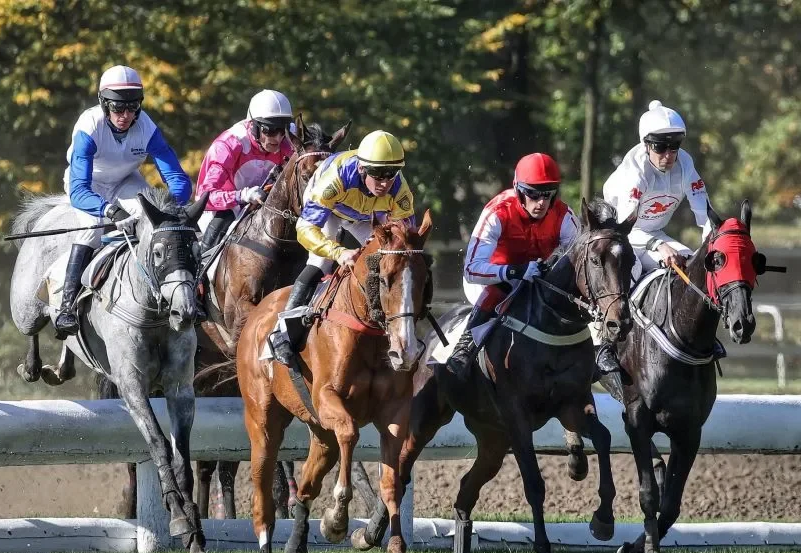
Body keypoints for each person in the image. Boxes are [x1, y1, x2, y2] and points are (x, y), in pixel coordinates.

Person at [445, 153, 623, 382]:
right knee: (499, 289)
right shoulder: (497, 212)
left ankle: (598, 347)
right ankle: (465, 346)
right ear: (518, 190)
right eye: (533, 194)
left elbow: (581, 261)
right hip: (491, 278)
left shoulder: (563, 216)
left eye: (548, 194)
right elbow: (472, 270)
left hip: (539, 277)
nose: (541, 202)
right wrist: (515, 271)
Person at [54, 65, 192, 339]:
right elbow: (79, 190)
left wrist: (169, 208)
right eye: (118, 109)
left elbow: (178, 178)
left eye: (132, 108)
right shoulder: (89, 125)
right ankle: (66, 306)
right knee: (93, 226)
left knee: (150, 218)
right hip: (88, 184)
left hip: (126, 181)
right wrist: (109, 210)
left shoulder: (146, 127)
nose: (126, 116)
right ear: (104, 104)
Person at [268, 130, 414, 366]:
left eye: (392, 173)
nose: (385, 182)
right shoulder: (336, 178)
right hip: (331, 211)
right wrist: (338, 251)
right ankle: (281, 334)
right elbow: (305, 229)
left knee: (391, 262)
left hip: (368, 216)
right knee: (320, 262)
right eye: (377, 174)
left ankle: (396, 332)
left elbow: (403, 241)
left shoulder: (399, 189)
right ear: (362, 169)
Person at [602, 99, 722, 359]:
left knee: (694, 266)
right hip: (620, 238)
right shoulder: (635, 173)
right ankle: (608, 344)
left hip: (655, 236)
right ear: (646, 145)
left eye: (675, 146)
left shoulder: (685, 164)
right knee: (629, 271)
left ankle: (701, 339)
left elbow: (705, 215)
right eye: (660, 147)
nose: (669, 155)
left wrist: (710, 247)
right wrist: (659, 246)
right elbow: (625, 228)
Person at [195, 89, 296, 250]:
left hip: (266, 203)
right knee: (223, 219)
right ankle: (201, 268)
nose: (277, 138)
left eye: (282, 129)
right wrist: (242, 196)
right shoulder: (228, 145)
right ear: (252, 125)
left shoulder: (288, 140)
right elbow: (203, 197)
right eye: (269, 130)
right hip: (227, 207)